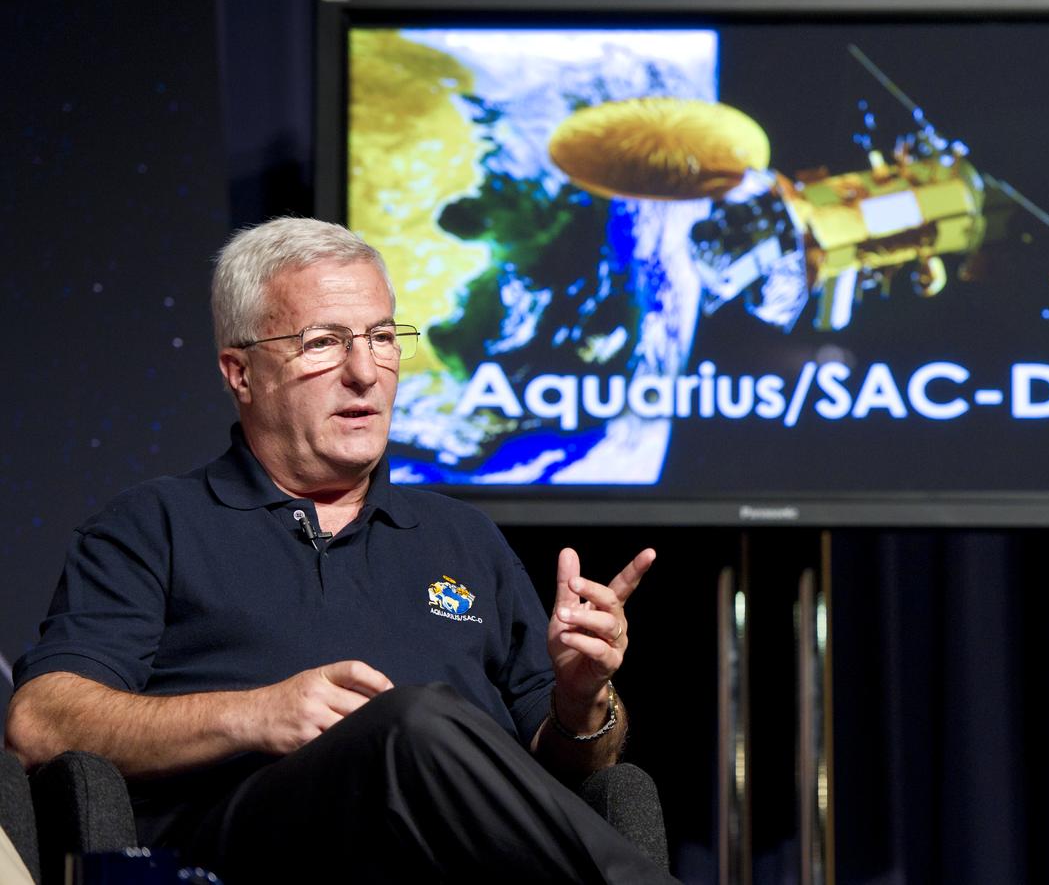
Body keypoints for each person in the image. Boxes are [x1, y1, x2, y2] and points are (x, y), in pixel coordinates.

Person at [4, 218, 675, 883]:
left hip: (457, 863)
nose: (365, 372)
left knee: (424, 732)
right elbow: (40, 721)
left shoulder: (464, 537)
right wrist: (254, 714)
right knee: (410, 724)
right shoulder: (153, 526)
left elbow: (572, 770)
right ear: (240, 373)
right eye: (322, 342)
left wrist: (583, 700)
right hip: (248, 852)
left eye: (383, 338)